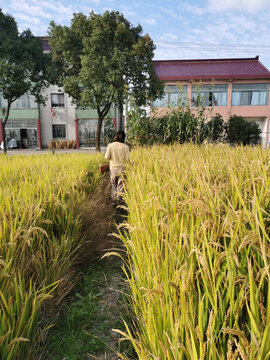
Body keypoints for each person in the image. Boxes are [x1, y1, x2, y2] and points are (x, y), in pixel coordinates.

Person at [104, 130, 130, 206]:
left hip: (113, 170)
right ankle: (120, 204)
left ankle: (114, 202)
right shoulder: (125, 147)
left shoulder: (110, 145)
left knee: (113, 186)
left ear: (116, 136)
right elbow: (127, 160)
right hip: (122, 170)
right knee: (121, 187)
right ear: (124, 138)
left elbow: (106, 157)